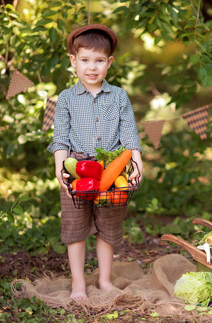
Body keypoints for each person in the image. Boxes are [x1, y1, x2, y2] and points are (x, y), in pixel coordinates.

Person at [47, 24, 143, 301]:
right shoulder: (66, 98)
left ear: (109, 63)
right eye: (85, 60)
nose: (92, 67)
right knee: (75, 228)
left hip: (112, 169)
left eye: (99, 60)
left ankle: (104, 280)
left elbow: (129, 133)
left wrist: (136, 161)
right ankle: (78, 283)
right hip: (76, 169)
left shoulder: (119, 96)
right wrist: (59, 167)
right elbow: (61, 137)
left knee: (109, 227)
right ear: (73, 61)